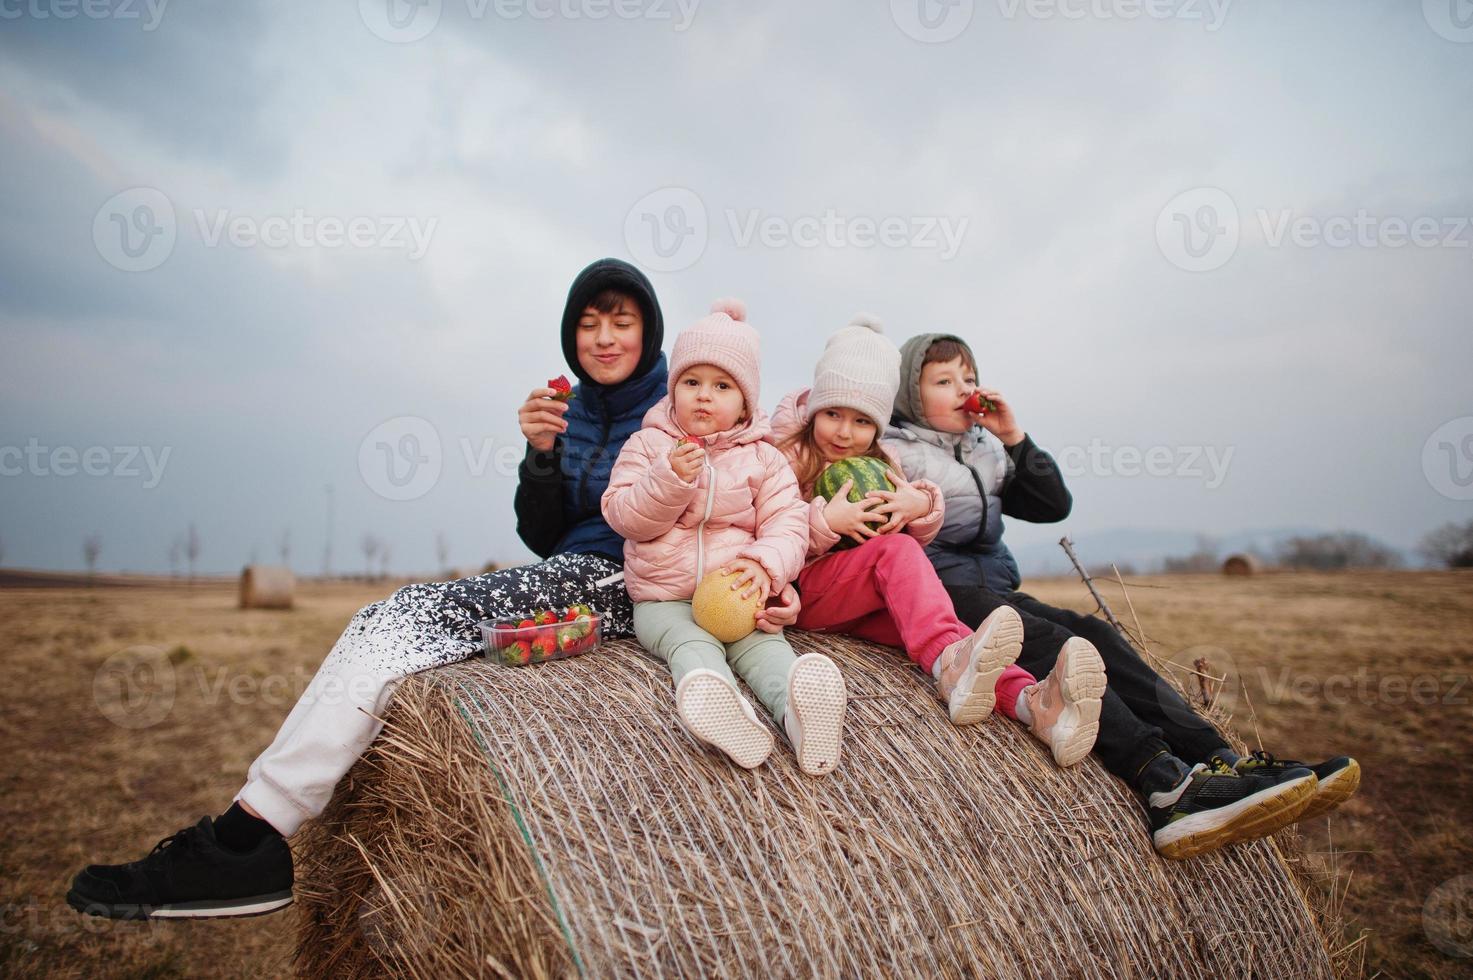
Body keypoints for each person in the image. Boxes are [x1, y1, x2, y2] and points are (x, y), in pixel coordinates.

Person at [65, 259, 803, 920]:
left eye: (621, 321)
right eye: (587, 323)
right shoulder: (566, 411)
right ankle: (249, 834)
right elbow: (541, 532)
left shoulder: (684, 407)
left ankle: (246, 839)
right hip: (569, 566)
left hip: (627, 579)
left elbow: (761, 493)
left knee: (411, 620)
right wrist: (539, 455)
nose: (603, 337)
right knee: (391, 616)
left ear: (653, 335)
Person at [884, 331, 1358, 859]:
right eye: (943, 380)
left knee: (1094, 633)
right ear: (909, 391)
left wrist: (1015, 437)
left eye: (968, 378)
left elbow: (1051, 504)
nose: (963, 390)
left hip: (995, 588)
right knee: (1056, 646)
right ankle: (1161, 780)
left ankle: (1221, 756)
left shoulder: (984, 451)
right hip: (937, 592)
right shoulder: (892, 450)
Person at [770, 317, 1105, 766]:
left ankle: (1032, 703)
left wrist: (920, 505)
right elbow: (765, 527)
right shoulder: (784, 456)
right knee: (898, 554)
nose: (845, 432)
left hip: (854, 601)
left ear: (878, 425)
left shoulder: (882, 460)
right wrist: (824, 521)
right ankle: (958, 669)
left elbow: (915, 524)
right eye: (833, 414)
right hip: (802, 593)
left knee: (947, 631)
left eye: (862, 421)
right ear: (815, 411)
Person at [603, 299, 847, 776]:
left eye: (722, 385)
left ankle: (798, 714)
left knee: (765, 649)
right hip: (663, 599)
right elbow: (624, 515)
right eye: (691, 382)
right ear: (674, 391)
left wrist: (765, 568)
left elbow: (789, 522)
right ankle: (719, 704)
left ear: (746, 402)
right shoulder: (650, 446)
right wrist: (668, 480)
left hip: (735, 593)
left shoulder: (764, 458)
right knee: (691, 643)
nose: (703, 396)